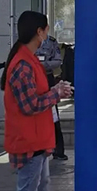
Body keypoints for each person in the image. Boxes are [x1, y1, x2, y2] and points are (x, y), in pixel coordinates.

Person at [2, 11, 72, 191]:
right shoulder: (22, 64)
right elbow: (30, 105)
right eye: (46, 30)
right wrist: (56, 94)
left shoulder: (28, 60)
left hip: (38, 139)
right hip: (27, 140)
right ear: (39, 32)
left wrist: (54, 91)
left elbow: (37, 97)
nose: (47, 35)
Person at [37, 33, 67, 161]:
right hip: (33, 76)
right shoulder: (29, 41)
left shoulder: (51, 42)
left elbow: (57, 61)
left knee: (53, 114)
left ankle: (58, 150)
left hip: (47, 76)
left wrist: (42, 65)